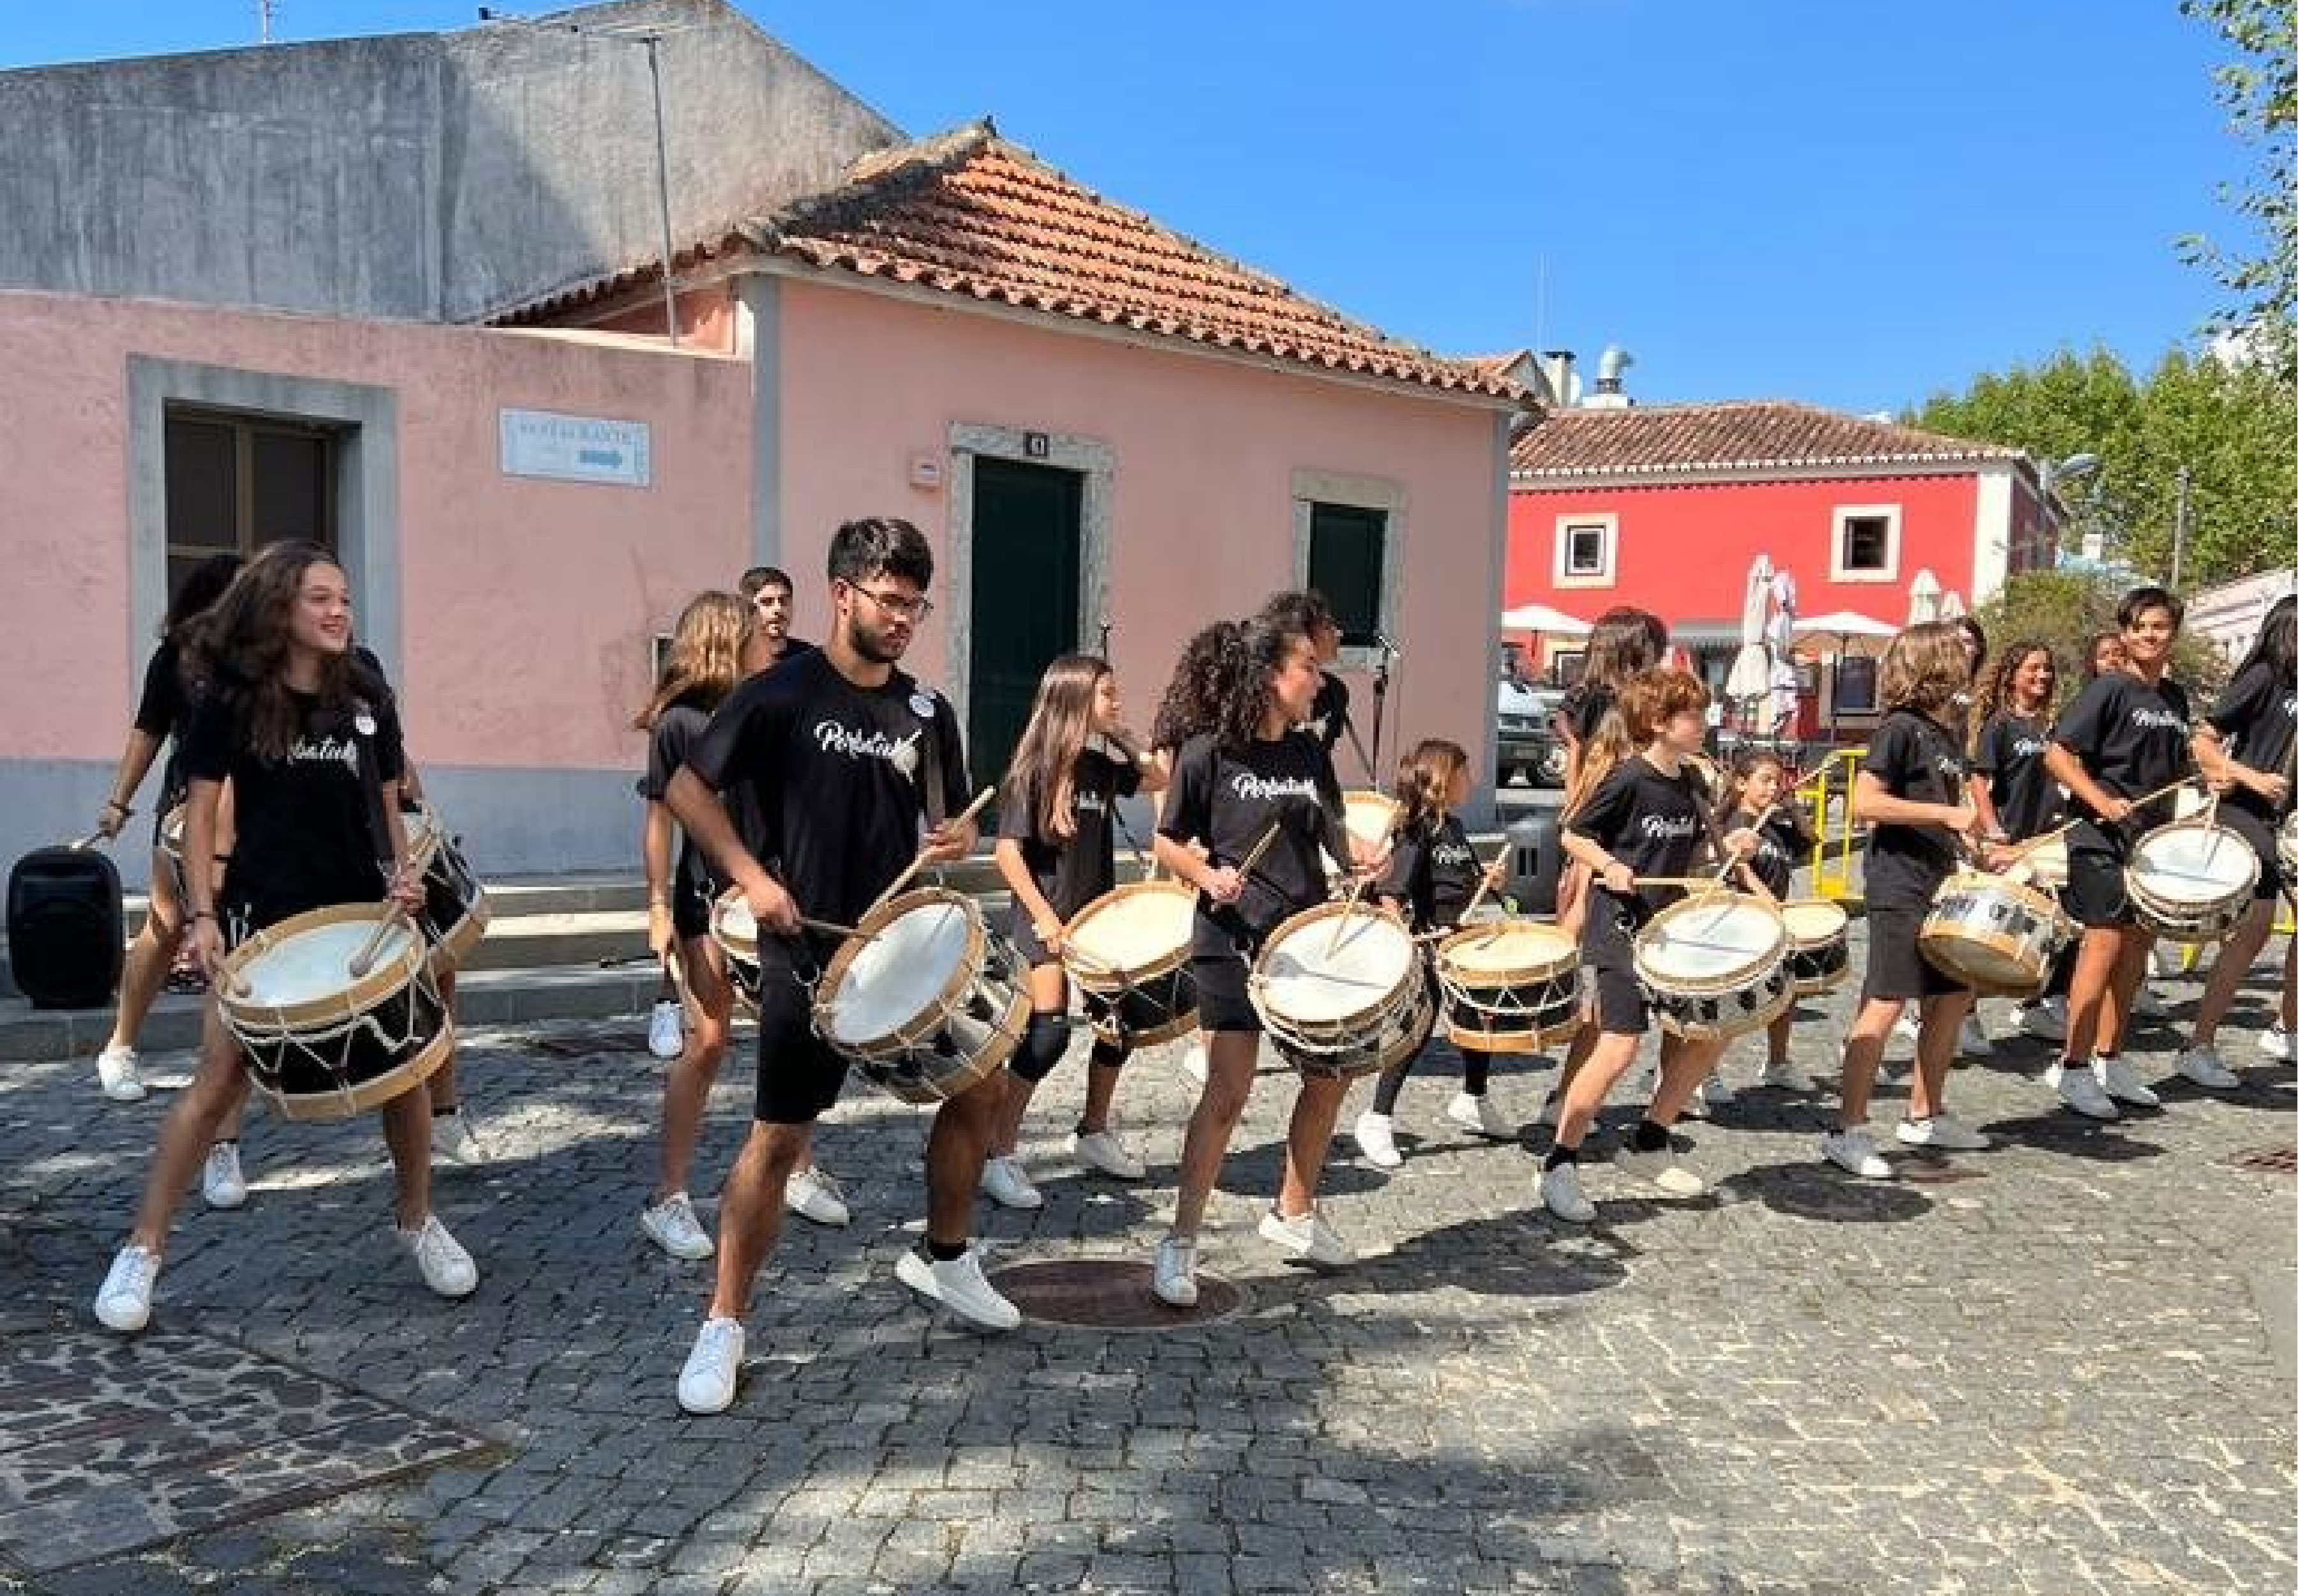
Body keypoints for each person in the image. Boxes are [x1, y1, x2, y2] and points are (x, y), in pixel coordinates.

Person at [666, 518, 1005, 1416]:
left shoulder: (928, 710)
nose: (902, 619)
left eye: (915, 604)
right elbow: (687, 788)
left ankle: (944, 1256)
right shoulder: (779, 694)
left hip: (903, 943)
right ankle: (725, 1322)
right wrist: (750, 877)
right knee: (777, 1139)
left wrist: (957, 833)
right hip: (808, 953)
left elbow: (951, 819)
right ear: (842, 593)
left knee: (982, 1085)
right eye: (889, 600)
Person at [93, 542, 477, 1332]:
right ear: (279, 609)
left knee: (404, 1067)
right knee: (217, 1078)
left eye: (344, 597)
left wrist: (404, 876)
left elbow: (386, 797)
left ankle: (417, 1220)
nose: (339, 611)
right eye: (320, 599)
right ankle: (143, 1248)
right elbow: (200, 813)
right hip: (266, 915)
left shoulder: (366, 688)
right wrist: (202, 916)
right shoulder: (231, 697)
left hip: (361, 911)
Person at [1147, 617, 1387, 1306]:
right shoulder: (1207, 752)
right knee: (1226, 1094)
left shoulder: (1310, 756)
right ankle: (1181, 1242)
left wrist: (1361, 859)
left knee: (1330, 1075)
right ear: (1268, 677)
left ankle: (1294, 1211)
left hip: (1302, 938)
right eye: (1307, 667)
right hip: (1228, 938)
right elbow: (1168, 840)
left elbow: (1333, 834)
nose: (1318, 679)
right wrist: (1206, 873)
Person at [637, 593, 848, 1264]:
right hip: (706, 899)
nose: (773, 644)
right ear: (730, 643)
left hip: (768, 896)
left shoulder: (766, 712)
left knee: (792, 1031)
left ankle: (794, 1165)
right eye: (760, 635)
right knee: (708, 1041)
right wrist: (658, 906)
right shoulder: (680, 724)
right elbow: (663, 818)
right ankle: (667, 1196)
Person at [1541, 668, 1756, 1223]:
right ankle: (1559, 1162)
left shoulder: (1692, 782)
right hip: (1616, 928)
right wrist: (1610, 865)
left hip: (1669, 929)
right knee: (1618, 1047)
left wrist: (1729, 846)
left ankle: (1649, 1141)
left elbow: (1692, 859)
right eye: (1694, 715)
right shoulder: (1628, 778)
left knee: (1712, 1032)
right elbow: (1571, 833)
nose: (1703, 724)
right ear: (1659, 723)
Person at [982, 655, 1169, 1208]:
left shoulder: (1096, 765)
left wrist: (1119, 732)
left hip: (1095, 920)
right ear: (1074, 698)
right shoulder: (1034, 768)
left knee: (1120, 1026)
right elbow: (1007, 852)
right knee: (1047, 1036)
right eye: (1107, 694)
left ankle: (1092, 1132)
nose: (1117, 701)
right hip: (1047, 918)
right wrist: (1042, 914)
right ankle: (1000, 1153)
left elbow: (1158, 776)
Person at [1818, 623, 1996, 1179]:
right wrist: (1946, 815)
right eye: (1955, 652)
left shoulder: (1945, 734)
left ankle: (1925, 1112)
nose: (1968, 658)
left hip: (1938, 876)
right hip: (1899, 883)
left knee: (1949, 996)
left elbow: (1940, 810)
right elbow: (1867, 803)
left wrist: (1972, 842)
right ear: (1932, 664)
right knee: (1887, 1001)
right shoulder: (1898, 728)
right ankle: (1845, 1128)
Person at [89, 553, 244, 1102]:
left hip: (259, 813)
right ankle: (120, 1046)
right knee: (168, 923)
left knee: (242, 933)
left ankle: (233, 1079)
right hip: (188, 807)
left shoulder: (268, 659)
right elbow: (147, 732)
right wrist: (118, 802)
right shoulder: (176, 659)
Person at [2042, 586, 2200, 1118]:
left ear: (2171, 633)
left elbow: (2174, 765)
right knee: (2102, 947)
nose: (2148, 635)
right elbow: (2057, 754)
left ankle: (2111, 1057)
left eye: (2158, 626)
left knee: (2135, 952)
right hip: (2098, 836)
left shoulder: (2175, 699)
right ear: (2125, 633)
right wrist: (2100, 800)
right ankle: (2073, 1066)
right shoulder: (2109, 689)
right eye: (2138, 627)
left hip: (2150, 841)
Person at [1351, 738, 1511, 1168]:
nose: (1473, 781)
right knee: (1415, 1031)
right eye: (1465, 772)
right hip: (1427, 944)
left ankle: (1473, 1098)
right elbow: (1389, 890)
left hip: (1459, 943)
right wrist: (1404, 939)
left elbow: (1462, 881)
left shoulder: (1454, 828)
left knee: (1479, 1016)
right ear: (1444, 779)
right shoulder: (1415, 831)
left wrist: (1490, 879)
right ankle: (1376, 1118)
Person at [1540, 607, 1669, 1126]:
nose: (1660, 656)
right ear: (1633, 649)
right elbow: (1583, 784)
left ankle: (1572, 1093)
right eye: (1653, 646)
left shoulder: (1593, 700)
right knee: (1600, 988)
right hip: (1608, 853)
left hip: (1618, 849)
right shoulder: (1602, 705)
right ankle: (1570, 1097)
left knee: (1606, 991)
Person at [2174, 595, 2295, 1087]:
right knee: (2254, 930)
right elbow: (2202, 741)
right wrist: (2251, 777)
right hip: (2247, 814)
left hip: (2284, 820)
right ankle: (2198, 1043)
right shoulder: (2262, 678)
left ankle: (2287, 1028)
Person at [1970, 641, 2072, 1043]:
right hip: (2011, 839)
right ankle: (1961, 1013)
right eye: (2032, 669)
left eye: (2046, 669)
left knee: (2056, 928)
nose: (2042, 676)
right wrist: (1994, 831)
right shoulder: (2000, 724)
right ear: (2012, 675)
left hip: (2047, 839)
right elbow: (1979, 779)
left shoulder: (2053, 726)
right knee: (1995, 931)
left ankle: (2036, 1005)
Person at [1714, 748, 1816, 1094]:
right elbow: (1736, 863)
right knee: (1730, 1000)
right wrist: (1759, 892)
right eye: (1765, 780)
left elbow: (1810, 841)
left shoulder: (1774, 825)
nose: (1773, 787)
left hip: (1771, 919)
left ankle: (1778, 1063)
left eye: (1778, 780)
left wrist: (1794, 807)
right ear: (1741, 783)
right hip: (1741, 919)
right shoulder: (1738, 823)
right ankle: (1704, 1073)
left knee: (1787, 993)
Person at [1257, 590, 1357, 770]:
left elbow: (1321, 758)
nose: (1339, 633)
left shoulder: (1335, 693)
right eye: (1329, 626)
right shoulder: (1261, 691)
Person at [737, 564, 814, 676]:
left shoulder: (809, 659)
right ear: (747, 608)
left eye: (784, 601)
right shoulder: (733, 659)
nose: (778, 609)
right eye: (767, 602)